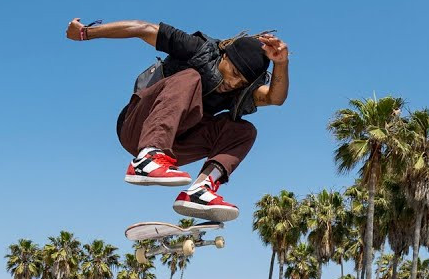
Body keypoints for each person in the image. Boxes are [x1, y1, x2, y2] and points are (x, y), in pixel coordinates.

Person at [66, 17, 290, 222]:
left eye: (241, 82)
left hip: (176, 147)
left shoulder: (238, 91)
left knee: (244, 131)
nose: (233, 83)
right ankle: (148, 157)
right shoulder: (197, 48)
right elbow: (141, 29)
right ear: (225, 56)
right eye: (233, 73)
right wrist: (86, 32)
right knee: (191, 78)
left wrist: (281, 63)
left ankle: (201, 189)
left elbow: (274, 98)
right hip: (136, 126)